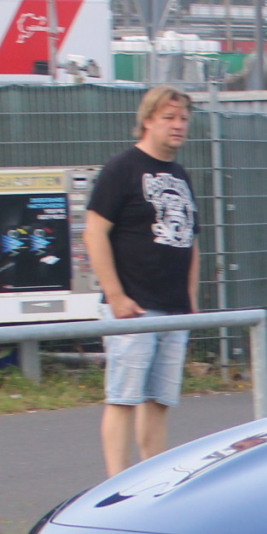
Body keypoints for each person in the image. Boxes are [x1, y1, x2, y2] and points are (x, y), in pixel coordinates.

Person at [86, 86, 200, 475]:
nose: (179, 125)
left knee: (159, 400)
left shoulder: (180, 174)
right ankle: (116, 485)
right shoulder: (122, 168)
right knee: (123, 397)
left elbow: (189, 238)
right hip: (133, 306)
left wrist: (189, 299)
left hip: (173, 309)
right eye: (169, 117)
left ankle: (152, 480)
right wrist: (116, 296)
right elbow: (94, 232)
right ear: (148, 119)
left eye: (183, 118)